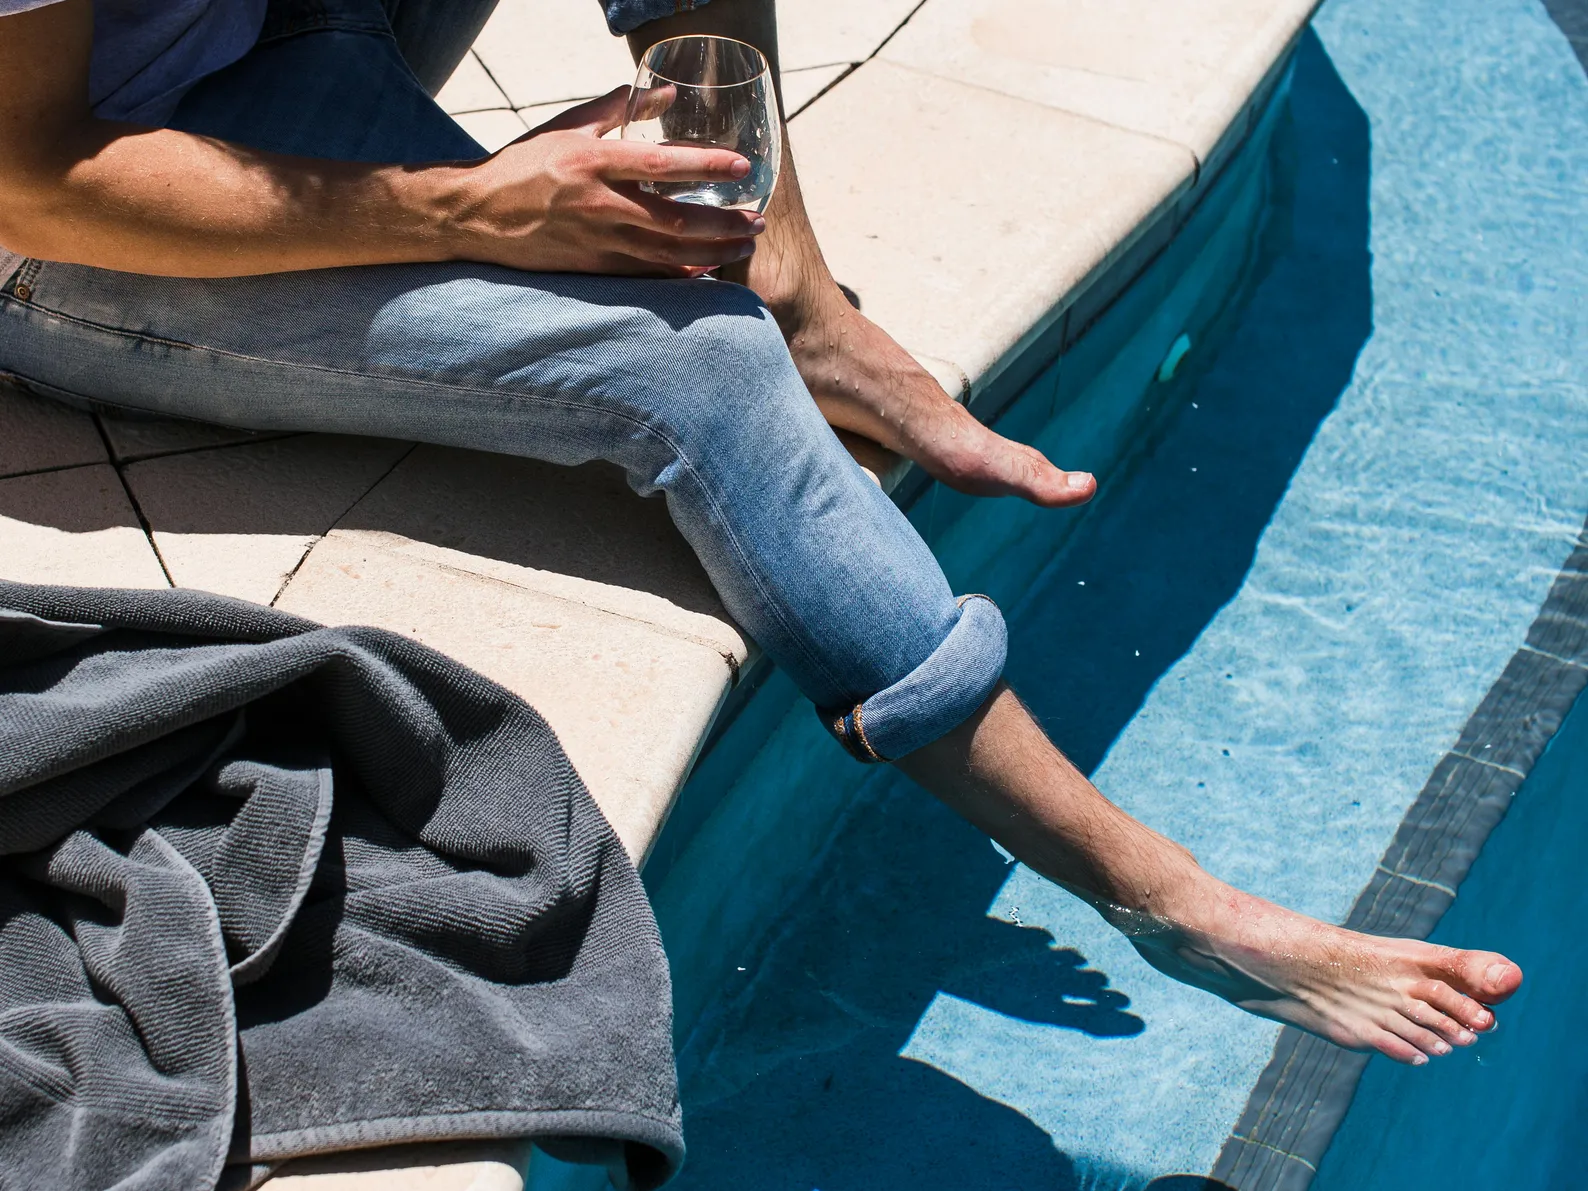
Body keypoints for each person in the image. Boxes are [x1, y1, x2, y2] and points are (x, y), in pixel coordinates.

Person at [0, 0, 1520, 1072]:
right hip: (69, 216)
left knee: (730, 297)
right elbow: (27, 174)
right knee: (697, 368)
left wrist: (712, 195)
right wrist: (473, 211)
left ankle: (799, 294)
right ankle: (1168, 899)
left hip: (274, 37)